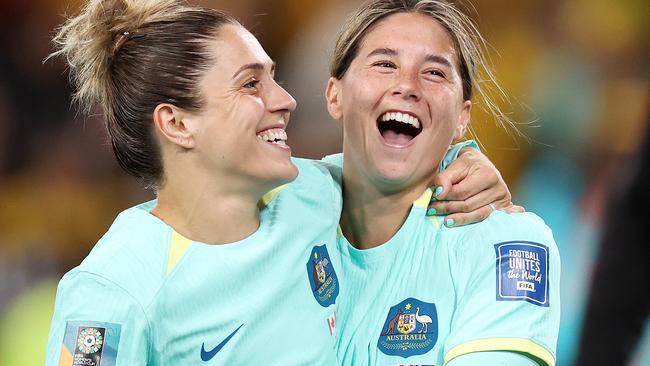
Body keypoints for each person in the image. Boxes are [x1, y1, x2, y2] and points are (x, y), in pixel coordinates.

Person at [45, 0, 515, 364]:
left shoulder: (312, 195)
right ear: (177, 123)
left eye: (274, 77)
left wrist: (464, 161)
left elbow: (395, 164)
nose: (286, 100)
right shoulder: (115, 287)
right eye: (252, 84)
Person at [323, 1, 561, 365]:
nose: (407, 86)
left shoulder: (505, 245)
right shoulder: (281, 208)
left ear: (463, 116)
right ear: (334, 94)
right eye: (385, 64)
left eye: (434, 72)